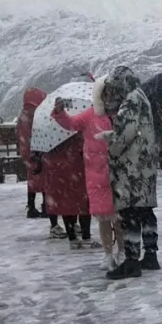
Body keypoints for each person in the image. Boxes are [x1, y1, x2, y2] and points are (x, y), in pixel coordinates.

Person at [52, 84, 122, 271]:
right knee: (104, 217)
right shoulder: (91, 115)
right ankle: (109, 253)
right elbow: (72, 124)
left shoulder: (121, 114)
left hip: (120, 172)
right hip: (98, 174)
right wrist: (60, 113)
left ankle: (122, 252)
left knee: (120, 217)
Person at [100, 66, 160, 279]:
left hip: (131, 167)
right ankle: (151, 254)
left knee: (131, 213)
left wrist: (112, 146)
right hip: (145, 163)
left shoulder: (130, 100)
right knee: (145, 210)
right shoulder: (141, 95)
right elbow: (139, 129)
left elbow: (125, 134)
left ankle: (131, 261)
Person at [41, 127, 92, 249]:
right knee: (83, 203)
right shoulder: (75, 128)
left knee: (66, 204)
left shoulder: (50, 131)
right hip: (77, 169)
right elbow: (83, 148)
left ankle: (72, 238)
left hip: (58, 170)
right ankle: (86, 236)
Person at [16, 88, 49, 219]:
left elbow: (21, 136)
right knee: (45, 180)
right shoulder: (36, 114)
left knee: (32, 181)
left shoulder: (24, 115)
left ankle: (31, 207)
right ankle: (46, 206)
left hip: (29, 153)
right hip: (38, 152)